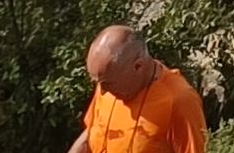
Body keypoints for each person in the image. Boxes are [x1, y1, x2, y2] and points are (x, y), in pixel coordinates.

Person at [66, 25, 205, 153]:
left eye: (108, 84)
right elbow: (92, 131)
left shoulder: (179, 101)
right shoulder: (108, 83)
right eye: (99, 83)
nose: (102, 91)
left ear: (138, 66)